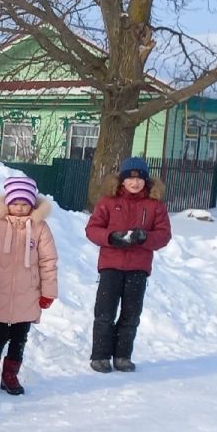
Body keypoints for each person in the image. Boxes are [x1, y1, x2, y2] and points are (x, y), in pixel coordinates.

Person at [83, 156, 172, 373]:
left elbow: (164, 235)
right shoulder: (108, 202)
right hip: (111, 265)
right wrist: (111, 237)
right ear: (121, 180)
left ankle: (123, 356)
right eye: (130, 179)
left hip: (138, 267)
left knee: (131, 314)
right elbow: (92, 229)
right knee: (104, 312)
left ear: (146, 181)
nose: (135, 183)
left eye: (140, 179)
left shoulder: (154, 205)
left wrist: (145, 237)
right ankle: (100, 356)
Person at [0, 175, 59, 396]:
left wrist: (48, 293)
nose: (19, 208)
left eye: (24, 204)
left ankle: (10, 376)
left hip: (28, 294)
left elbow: (48, 262)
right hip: (0, 292)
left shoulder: (40, 228)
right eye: (15, 203)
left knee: (20, 337)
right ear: (7, 203)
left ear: (32, 204)